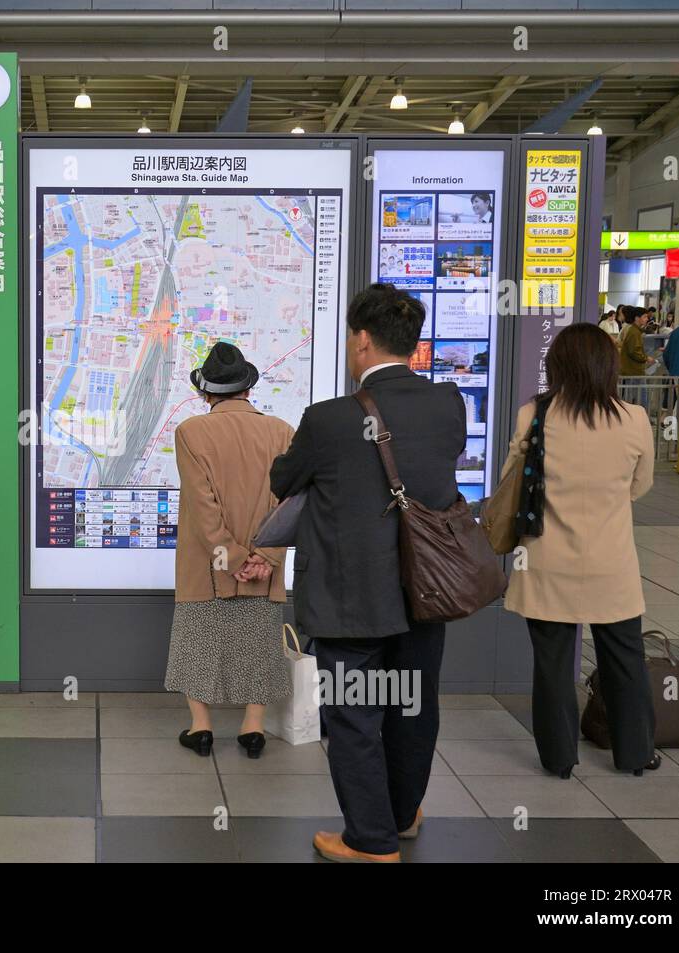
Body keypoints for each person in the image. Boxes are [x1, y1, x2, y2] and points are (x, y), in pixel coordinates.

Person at [270, 283, 464, 863]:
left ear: (360, 340)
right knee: (413, 704)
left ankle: (371, 840)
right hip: (427, 588)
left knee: (353, 716)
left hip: (351, 601)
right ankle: (402, 815)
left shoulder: (328, 420)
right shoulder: (448, 404)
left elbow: (285, 481)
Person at [500, 322, 659, 778]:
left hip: (547, 561)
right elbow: (640, 487)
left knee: (552, 665)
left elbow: (512, 479)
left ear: (558, 366)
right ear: (608, 365)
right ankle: (634, 753)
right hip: (612, 564)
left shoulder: (536, 414)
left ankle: (559, 759)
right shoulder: (633, 418)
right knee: (625, 659)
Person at [164, 342, 295, 760]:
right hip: (266, 564)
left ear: (206, 392)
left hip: (207, 565)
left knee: (198, 639)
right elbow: (287, 501)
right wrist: (265, 558)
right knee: (258, 641)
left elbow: (203, 506)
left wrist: (232, 557)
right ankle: (252, 728)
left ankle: (201, 728)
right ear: (247, 388)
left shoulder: (191, 432)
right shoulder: (281, 431)